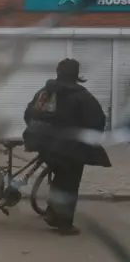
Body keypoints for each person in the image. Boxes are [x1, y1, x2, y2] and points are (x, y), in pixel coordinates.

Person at [23, 58, 111, 235]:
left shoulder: (44, 92)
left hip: (40, 142)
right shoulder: (81, 96)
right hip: (67, 147)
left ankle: (52, 212)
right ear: (76, 74)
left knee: (60, 176)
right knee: (69, 182)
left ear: (58, 72)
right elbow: (96, 121)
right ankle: (63, 223)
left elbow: (28, 114)